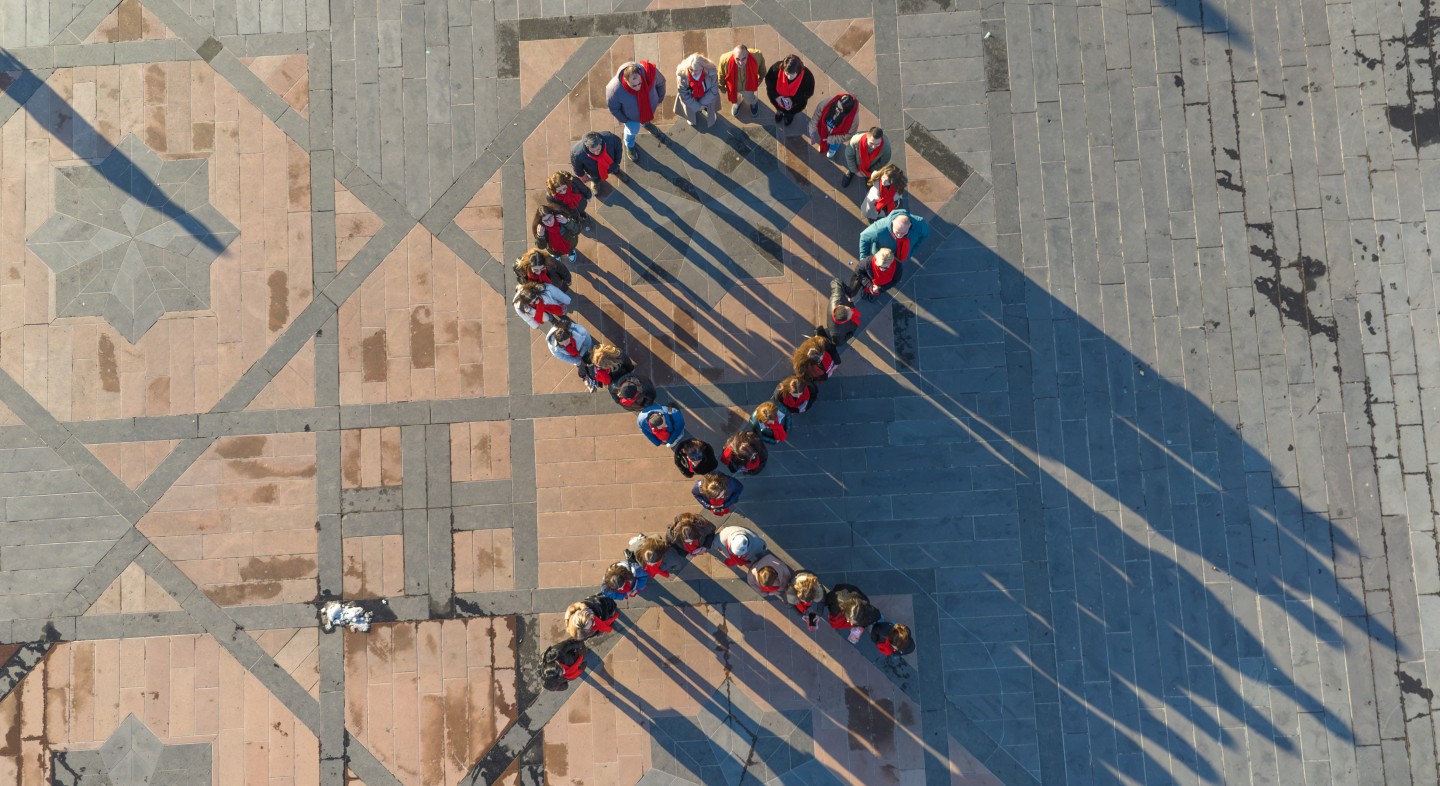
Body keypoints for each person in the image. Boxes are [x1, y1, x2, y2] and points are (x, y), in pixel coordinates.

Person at [606, 60, 666, 161]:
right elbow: (614, 108)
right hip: (631, 118)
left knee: (647, 119)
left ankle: (646, 123)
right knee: (631, 131)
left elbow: (661, 83)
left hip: (648, 109)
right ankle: (629, 145)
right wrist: (625, 120)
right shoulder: (614, 90)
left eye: (640, 83)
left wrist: (659, 99)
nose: (639, 87)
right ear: (625, 80)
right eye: (634, 85)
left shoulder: (650, 72)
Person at [858, 209, 930, 266]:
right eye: (897, 232)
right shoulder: (879, 229)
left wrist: (912, 251)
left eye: (903, 233)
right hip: (883, 259)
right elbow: (864, 237)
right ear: (892, 223)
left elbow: (924, 235)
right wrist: (864, 261)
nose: (899, 236)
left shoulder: (920, 225)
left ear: (910, 225)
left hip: (902, 258)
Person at [764, 54, 814, 127]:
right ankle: (779, 111)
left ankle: (789, 116)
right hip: (777, 100)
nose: (789, 77)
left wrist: (792, 100)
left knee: (790, 113)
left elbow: (809, 92)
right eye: (787, 73)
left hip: (794, 105)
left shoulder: (807, 76)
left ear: (798, 71)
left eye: (793, 74)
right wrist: (777, 96)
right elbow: (769, 81)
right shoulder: (776, 69)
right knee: (778, 108)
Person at [719, 45, 766, 117]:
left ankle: (753, 102)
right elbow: (721, 74)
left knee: (749, 98)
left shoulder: (757, 56)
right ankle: (737, 103)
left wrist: (760, 79)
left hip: (748, 86)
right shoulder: (724, 59)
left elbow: (762, 69)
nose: (740, 63)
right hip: (733, 86)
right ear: (733, 55)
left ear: (748, 55)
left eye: (744, 59)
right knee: (735, 98)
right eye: (737, 59)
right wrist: (721, 87)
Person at [674, 53, 720, 128]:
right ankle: (691, 118)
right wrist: (697, 106)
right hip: (690, 96)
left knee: (710, 104)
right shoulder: (682, 75)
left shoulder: (711, 72)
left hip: (707, 94)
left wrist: (701, 104)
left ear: (702, 68)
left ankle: (710, 114)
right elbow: (684, 94)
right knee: (689, 107)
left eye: (696, 71)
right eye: (691, 69)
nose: (693, 73)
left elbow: (714, 90)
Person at [808, 93, 858, 158]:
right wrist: (812, 128)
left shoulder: (853, 120)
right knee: (823, 139)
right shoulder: (828, 102)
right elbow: (817, 114)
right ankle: (825, 146)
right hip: (825, 129)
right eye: (836, 105)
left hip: (837, 136)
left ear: (846, 111)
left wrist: (831, 139)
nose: (836, 109)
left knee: (835, 144)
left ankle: (832, 150)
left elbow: (848, 135)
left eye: (840, 109)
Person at [818, 278, 862, 346]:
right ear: (844, 321)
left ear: (840, 306)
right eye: (850, 315)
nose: (852, 312)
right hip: (851, 327)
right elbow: (839, 343)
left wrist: (849, 294)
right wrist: (851, 333)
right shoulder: (837, 332)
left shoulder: (837, 296)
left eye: (849, 309)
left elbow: (836, 281)